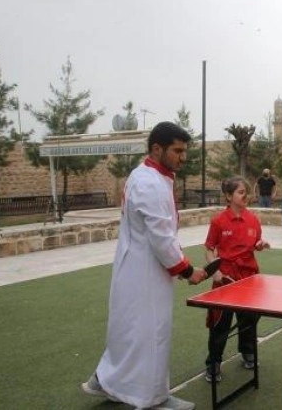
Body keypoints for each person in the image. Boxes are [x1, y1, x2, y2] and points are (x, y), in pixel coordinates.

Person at [81, 122, 207, 410]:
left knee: (131, 331)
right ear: (156, 149)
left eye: (184, 151)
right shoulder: (149, 182)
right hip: (145, 272)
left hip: (139, 268)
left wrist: (180, 263)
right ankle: (153, 399)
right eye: (177, 150)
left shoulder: (148, 176)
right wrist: (188, 270)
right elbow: (161, 238)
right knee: (152, 333)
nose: (182, 157)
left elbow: (163, 234)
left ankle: (106, 380)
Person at [204, 176, 271, 383]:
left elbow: (255, 243)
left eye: (247, 193)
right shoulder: (218, 221)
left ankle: (248, 352)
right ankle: (213, 362)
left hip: (249, 277)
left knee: (248, 320)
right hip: (225, 278)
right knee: (220, 324)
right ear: (228, 196)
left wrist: (260, 244)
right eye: (241, 192)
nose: (246, 196)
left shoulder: (253, 219)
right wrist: (215, 271)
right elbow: (208, 248)